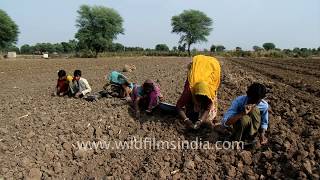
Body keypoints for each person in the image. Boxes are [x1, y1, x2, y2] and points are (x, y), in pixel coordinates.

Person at [176, 55, 221, 129]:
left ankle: (211, 117)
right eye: (198, 99)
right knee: (191, 115)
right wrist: (186, 120)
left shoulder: (210, 92)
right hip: (196, 76)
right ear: (194, 94)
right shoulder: (189, 90)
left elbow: (207, 108)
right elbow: (178, 106)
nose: (200, 102)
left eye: (203, 100)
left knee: (208, 120)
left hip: (212, 69)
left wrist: (200, 121)